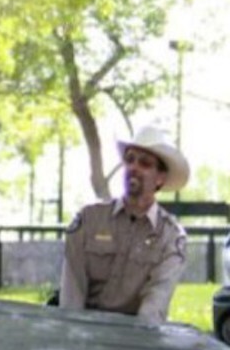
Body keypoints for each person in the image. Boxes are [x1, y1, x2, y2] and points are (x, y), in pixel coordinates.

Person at [59, 125, 189, 324]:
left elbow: (153, 310)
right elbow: (71, 297)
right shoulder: (88, 220)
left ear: (160, 179)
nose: (133, 167)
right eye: (129, 159)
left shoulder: (171, 237)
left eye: (145, 163)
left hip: (135, 342)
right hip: (83, 333)